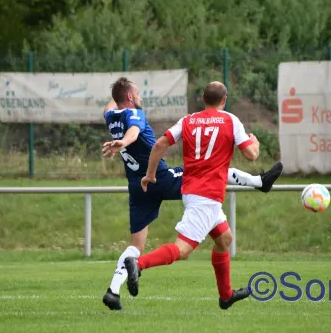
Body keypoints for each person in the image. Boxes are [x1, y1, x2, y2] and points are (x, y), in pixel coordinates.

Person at [101, 77, 282, 310]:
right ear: (224, 100)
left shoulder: (114, 116)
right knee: (182, 249)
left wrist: (120, 91)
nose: (140, 96)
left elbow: (156, 141)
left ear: (203, 99)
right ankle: (139, 264)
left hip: (138, 186)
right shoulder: (136, 114)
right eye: (136, 93)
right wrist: (126, 145)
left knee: (224, 238)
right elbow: (251, 155)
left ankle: (113, 290)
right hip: (180, 186)